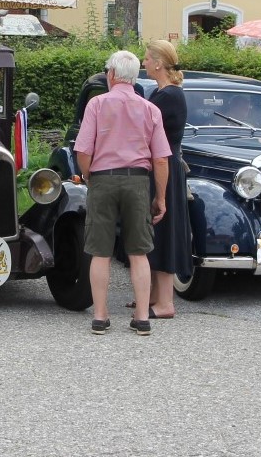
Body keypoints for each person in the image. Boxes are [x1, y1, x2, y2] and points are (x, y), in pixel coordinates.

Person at [73, 50, 170, 336]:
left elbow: (83, 150)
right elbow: (161, 159)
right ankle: (142, 317)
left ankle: (101, 316)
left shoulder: (97, 104)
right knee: (139, 251)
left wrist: (91, 176)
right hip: (137, 181)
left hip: (103, 179)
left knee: (100, 252)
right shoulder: (151, 109)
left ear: (112, 74)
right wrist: (160, 197)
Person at [141, 40, 191, 320]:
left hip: (165, 166)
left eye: (147, 58)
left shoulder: (168, 96)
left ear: (159, 63)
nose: (144, 62)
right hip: (162, 164)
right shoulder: (163, 92)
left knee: (164, 229)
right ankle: (152, 296)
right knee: (155, 229)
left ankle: (166, 302)